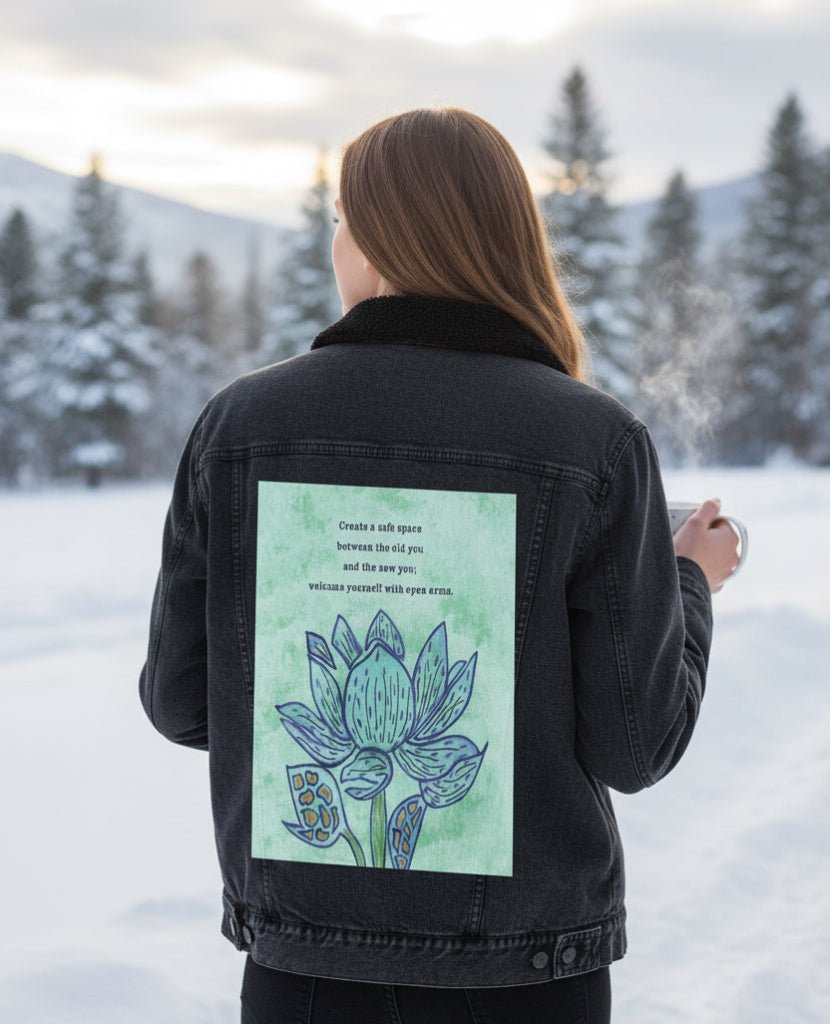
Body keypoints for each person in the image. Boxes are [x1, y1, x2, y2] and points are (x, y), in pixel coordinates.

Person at [138, 107, 740, 1024]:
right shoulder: (592, 438)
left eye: (341, 221)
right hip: (527, 976)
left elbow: (182, 702)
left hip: (306, 970)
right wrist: (689, 580)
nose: (333, 245)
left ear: (378, 240)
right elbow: (636, 743)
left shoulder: (241, 427)